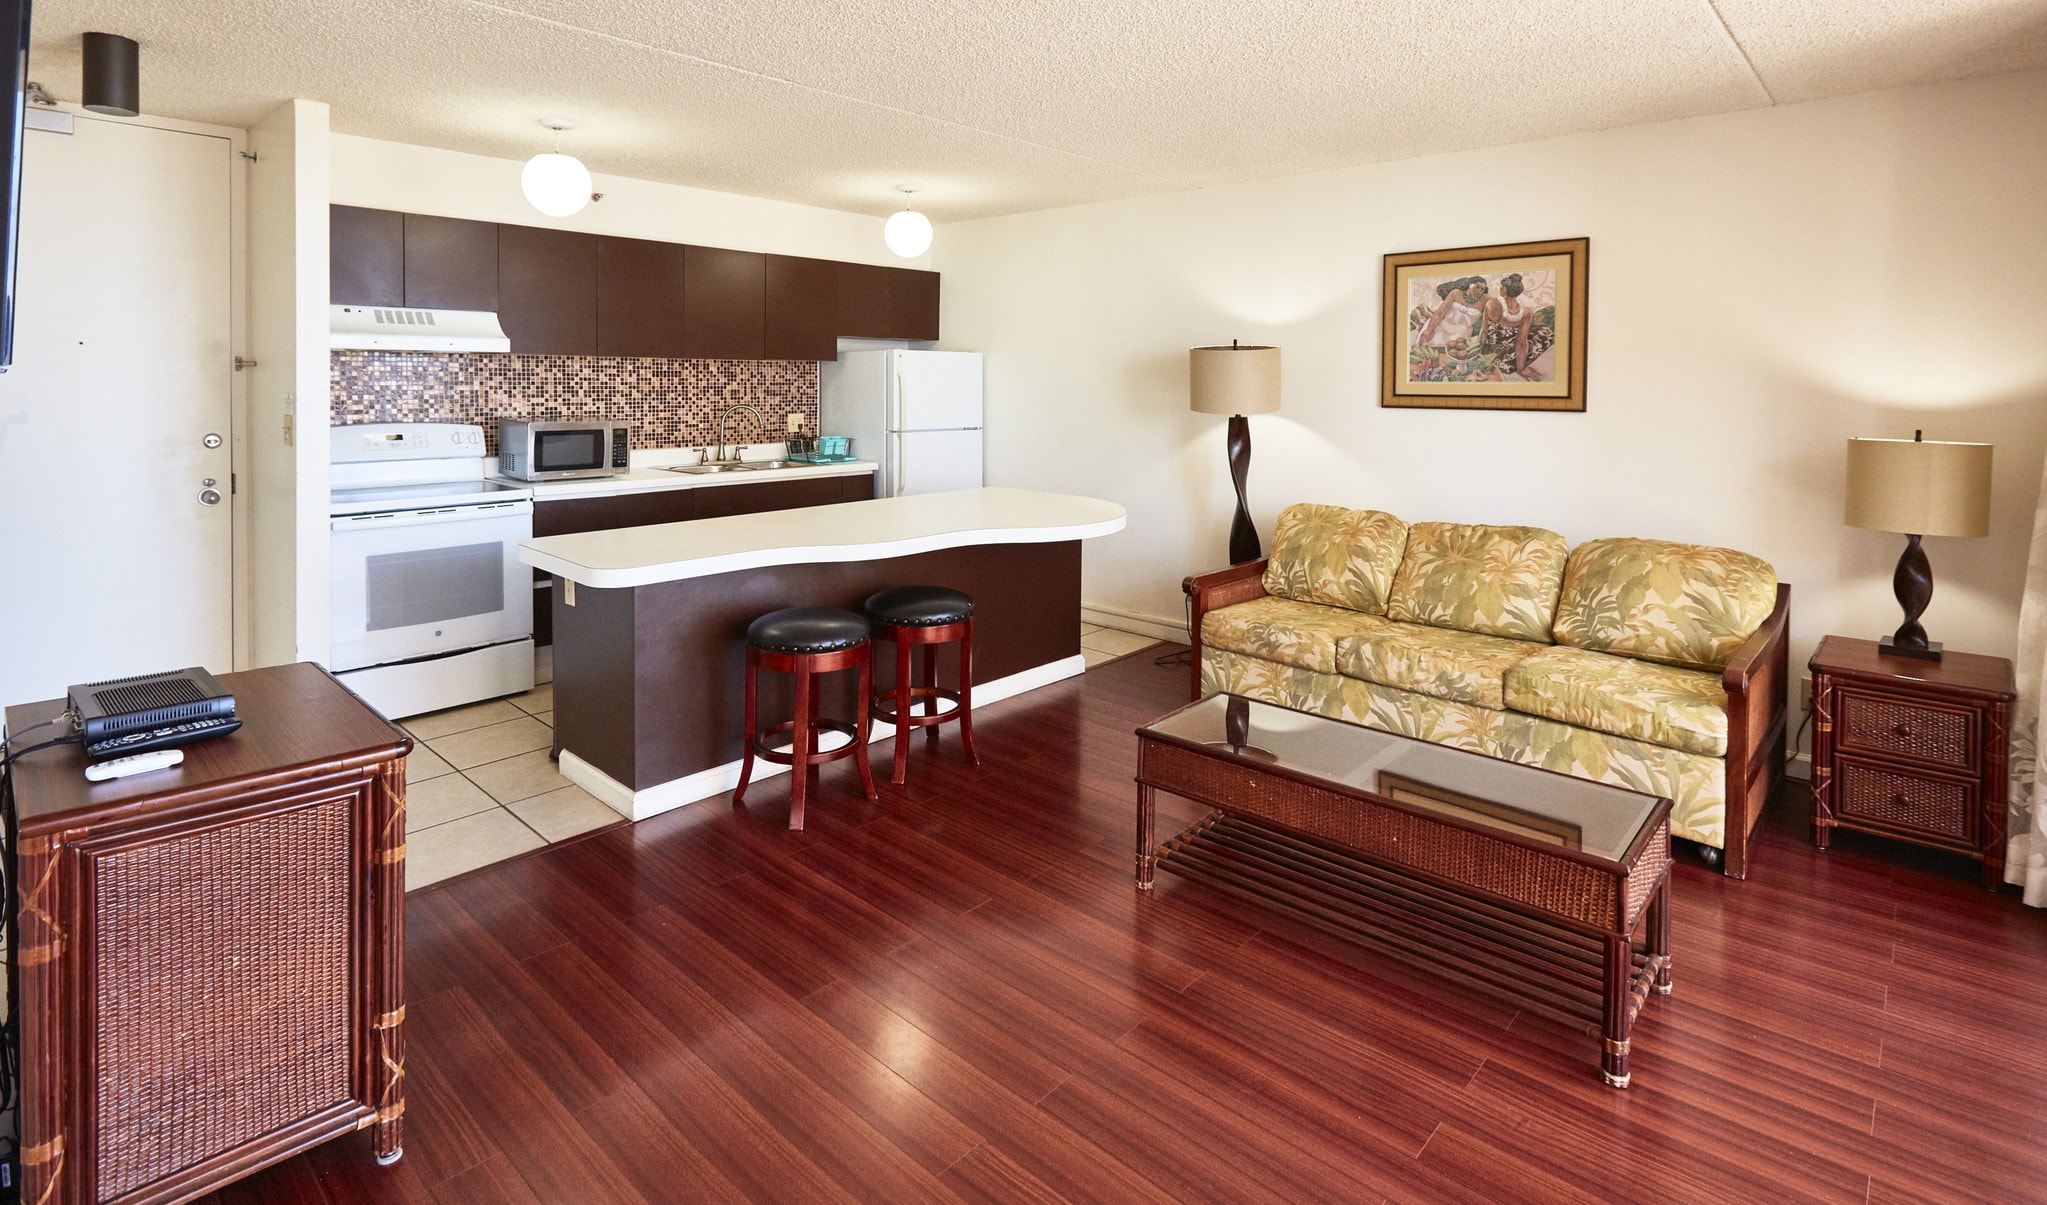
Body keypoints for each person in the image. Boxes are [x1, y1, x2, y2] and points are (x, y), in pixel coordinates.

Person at [1478, 272, 1555, 380]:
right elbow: (1522, 343)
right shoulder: (1526, 313)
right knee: (1544, 332)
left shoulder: (1490, 304)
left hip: (1489, 353)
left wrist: (1480, 351)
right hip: (1508, 360)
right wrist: (1521, 369)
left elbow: (1484, 330)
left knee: (1539, 322)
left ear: (1503, 290)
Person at [1414, 275, 1489, 352]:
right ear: (1470, 285)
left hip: (1461, 333)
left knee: (1454, 351)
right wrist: (1430, 329)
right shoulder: (1456, 293)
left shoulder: (1484, 301)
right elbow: (1440, 312)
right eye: (1477, 287)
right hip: (1442, 326)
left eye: (1482, 289)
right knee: (1427, 349)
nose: (1479, 291)